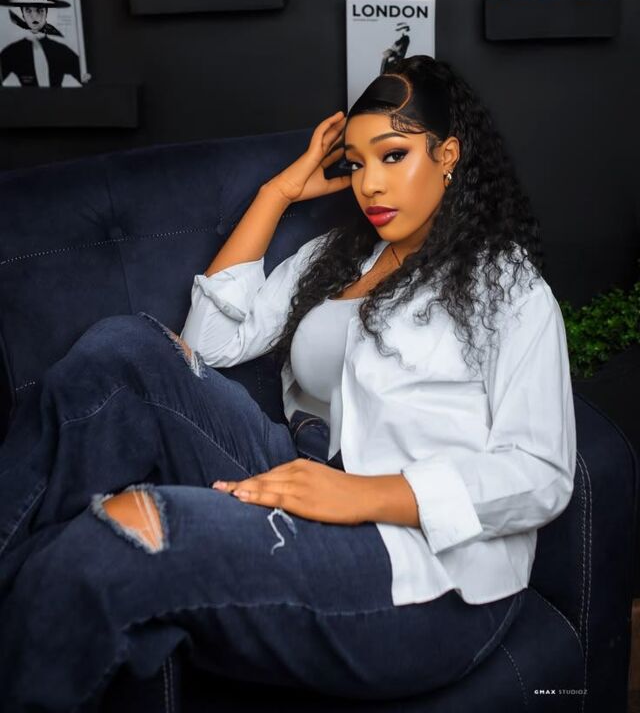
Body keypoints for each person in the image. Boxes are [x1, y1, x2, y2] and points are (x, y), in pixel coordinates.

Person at [0, 55, 576, 711]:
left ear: (448, 155)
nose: (370, 184)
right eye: (356, 163)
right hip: (301, 467)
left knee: (117, 538)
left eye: (393, 156)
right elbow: (206, 347)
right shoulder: (338, 257)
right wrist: (277, 194)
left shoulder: (507, 287)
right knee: (125, 349)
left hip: (424, 570)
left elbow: (541, 473)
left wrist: (364, 494)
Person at [0, 0, 86, 87]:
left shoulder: (61, 50)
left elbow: (86, 78)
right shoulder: (12, 52)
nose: (34, 16)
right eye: (28, 10)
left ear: (46, 12)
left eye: (39, 10)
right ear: (22, 14)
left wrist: (86, 77)